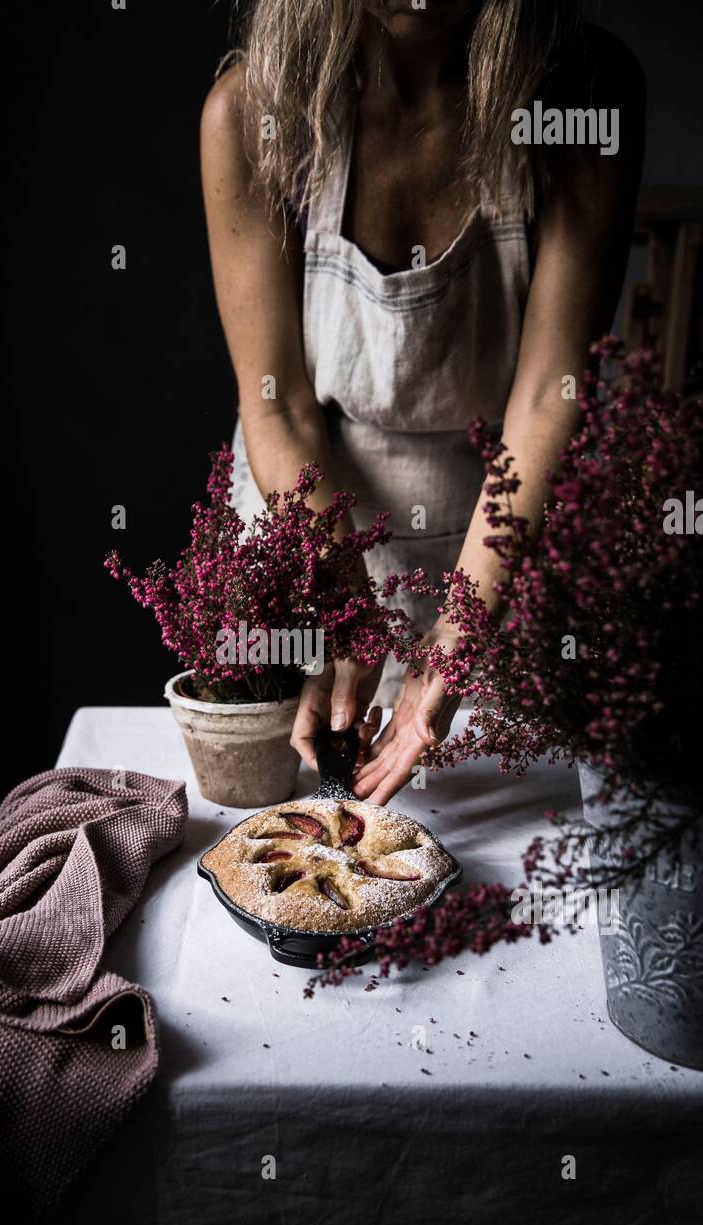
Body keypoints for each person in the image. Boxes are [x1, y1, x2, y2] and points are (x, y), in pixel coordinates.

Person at [200, 0, 644, 804]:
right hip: (313, 524)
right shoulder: (252, 112)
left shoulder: (583, 94)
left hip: (497, 537)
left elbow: (549, 394)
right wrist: (341, 603)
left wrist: (460, 631)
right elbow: (279, 406)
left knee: (505, 838)